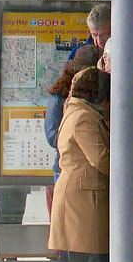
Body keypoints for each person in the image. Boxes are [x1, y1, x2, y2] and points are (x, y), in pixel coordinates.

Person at [48, 67, 111, 262]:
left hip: (83, 192)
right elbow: (100, 158)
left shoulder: (76, 111)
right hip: (81, 195)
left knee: (89, 255)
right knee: (81, 257)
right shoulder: (84, 117)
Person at [43, 45, 101, 223]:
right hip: (67, 168)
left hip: (92, 172)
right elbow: (52, 135)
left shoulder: (100, 94)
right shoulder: (59, 97)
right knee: (67, 224)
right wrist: (79, 135)